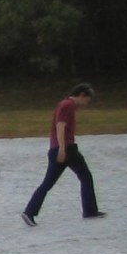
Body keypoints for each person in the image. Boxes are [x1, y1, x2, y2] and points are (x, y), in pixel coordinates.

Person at [21, 83, 105, 226]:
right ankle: (29, 212)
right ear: (82, 95)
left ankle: (90, 210)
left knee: (84, 176)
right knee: (53, 182)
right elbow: (60, 126)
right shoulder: (68, 105)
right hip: (65, 149)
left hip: (66, 148)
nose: (86, 104)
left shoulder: (66, 104)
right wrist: (61, 149)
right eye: (87, 100)